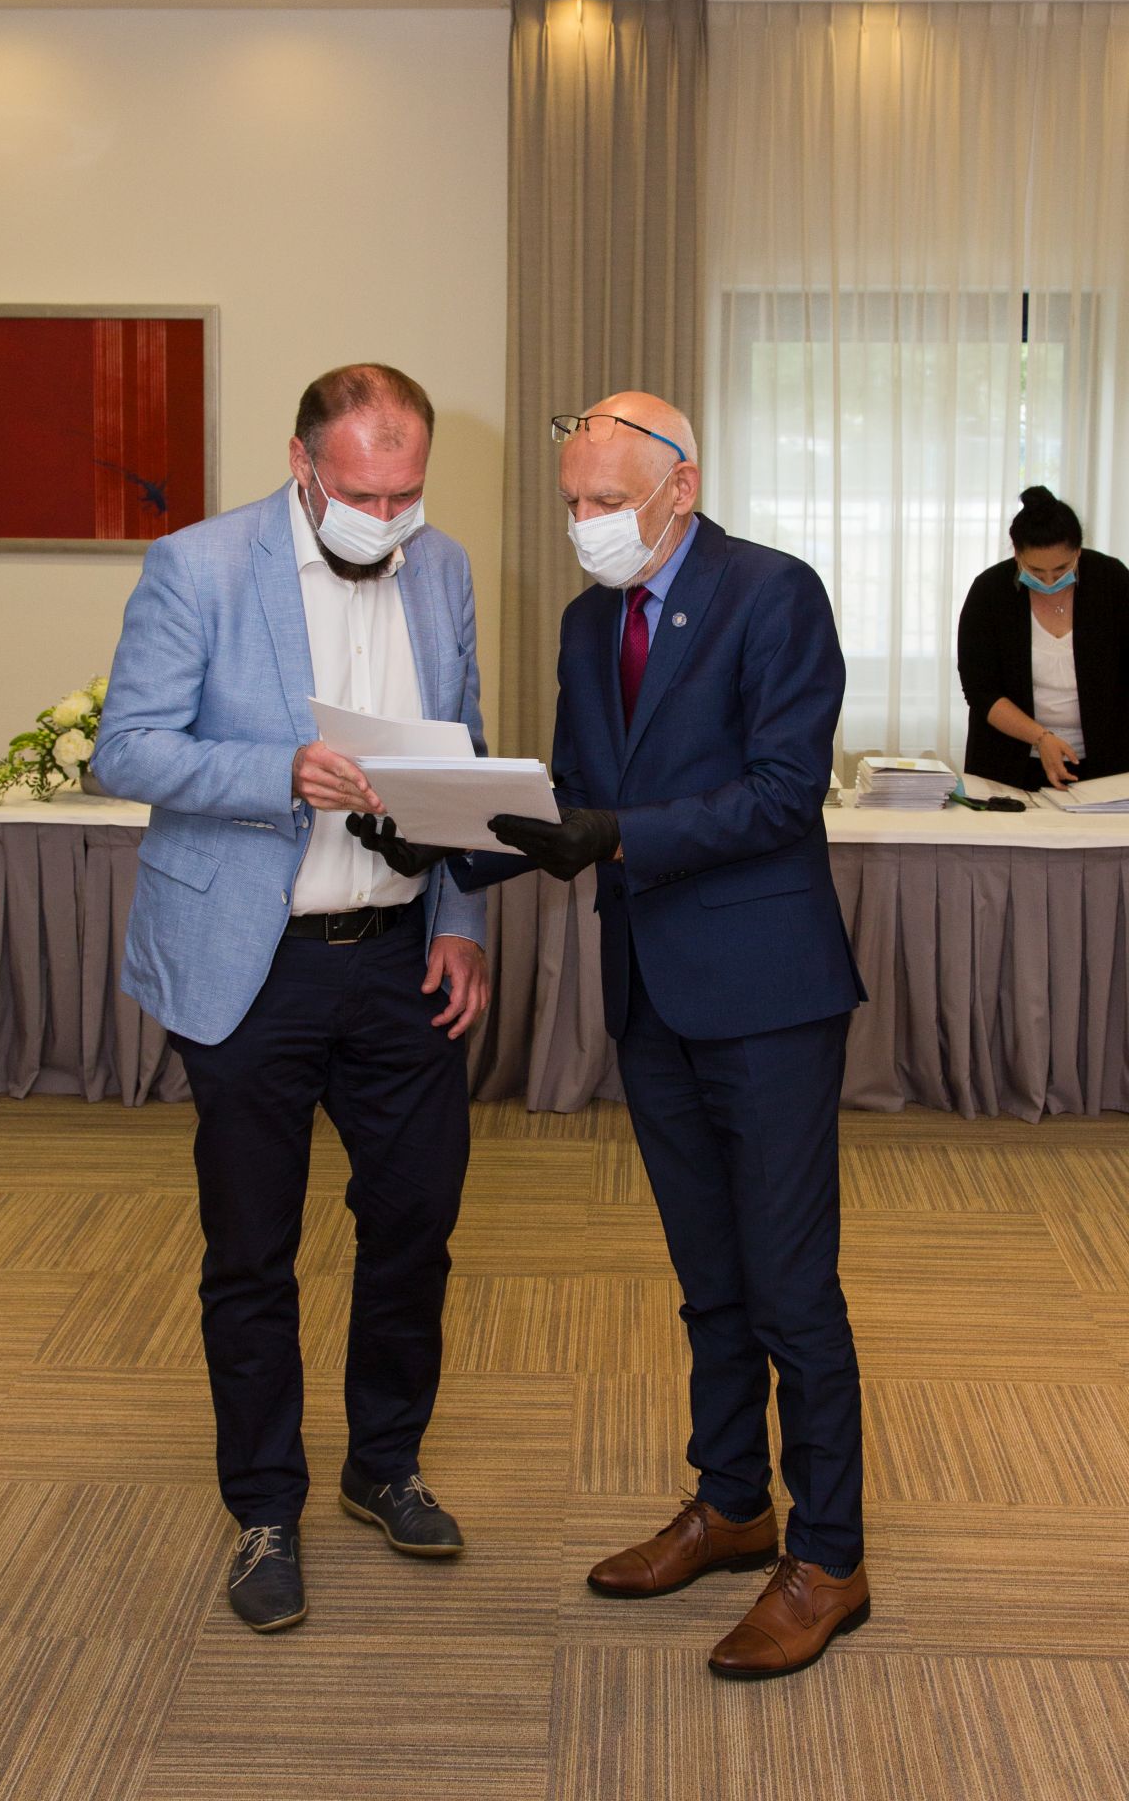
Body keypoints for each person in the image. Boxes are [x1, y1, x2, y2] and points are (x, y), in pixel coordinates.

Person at [354, 392, 870, 1680]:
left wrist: (618, 836)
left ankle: (829, 1556)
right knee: (707, 1277)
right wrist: (438, 839)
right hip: (648, 991)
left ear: (678, 489)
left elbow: (780, 794)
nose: (583, 523)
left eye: (605, 502)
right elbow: (570, 802)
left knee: (789, 1287)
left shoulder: (771, 593)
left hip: (765, 994)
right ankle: (732, 1503)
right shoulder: (591, 622)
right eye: (571, 503)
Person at [93, 363, 490, 1634]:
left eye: (406, 491)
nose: (387, 515)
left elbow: (462, 751)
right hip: (251, 964)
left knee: (414, 1224)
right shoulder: (198, 567)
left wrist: (462, 919)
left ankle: (384, 1465)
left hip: (399, 956)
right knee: (252, 1249)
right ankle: (265, 1505)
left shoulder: (443, 567)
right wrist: (282, 770)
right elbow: (125, 747)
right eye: (363, 492)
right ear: (301, 464)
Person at [957, 485, 1129, 792]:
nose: (1049, 581)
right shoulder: (990, 591)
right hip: (1008, 763)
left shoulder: (1112, 581)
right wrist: (1041, 737)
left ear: (1078, 552)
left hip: (1106, 763)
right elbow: (981, 690)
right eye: (1036, 571)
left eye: (1061, 569)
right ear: (1017, 554)